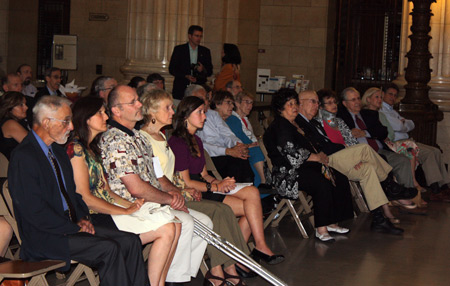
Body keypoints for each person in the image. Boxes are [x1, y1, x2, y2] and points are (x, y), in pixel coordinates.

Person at [8, 95, 149, 286]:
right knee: (109, 248)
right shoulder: (25, 157)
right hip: (45, 236)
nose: (71, 127)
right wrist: (73, 227)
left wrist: (83, 218)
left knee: (130, 241)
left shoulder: (56, 151)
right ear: (47, 122)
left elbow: (73, 194)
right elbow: (34, 211)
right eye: (66, 121)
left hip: (69, 225)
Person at [140, 88, 258, 285]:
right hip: (167, 197)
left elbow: (172, 176)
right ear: (152, 112)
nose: (172, 111)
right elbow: (159, 178)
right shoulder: (159, 140)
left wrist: (217, 183)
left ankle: (228, 266)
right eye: (168, 108)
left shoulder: (165, 138)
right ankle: (224, 267)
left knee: (223, 210)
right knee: (219, 212)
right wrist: (190, 189)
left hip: (179, 192)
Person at [100, 85, 211, 286]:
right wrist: (170, 199)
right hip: (127, 206)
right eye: (132, 101)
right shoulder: (116, 139)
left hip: (146, 203)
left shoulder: (136, 137)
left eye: (138, 99)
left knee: (179, 223)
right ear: (116, 110)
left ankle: (165, 281)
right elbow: (135, 188)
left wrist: (176, 194)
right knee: (170, 226)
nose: (139, 104)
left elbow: (158, 176)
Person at [67, 96, 180, 286]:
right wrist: (124, 210)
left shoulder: (91, 148)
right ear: (87, 118)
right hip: (93, 215)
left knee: (174, 224)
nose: (106, 116)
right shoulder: (76, 149)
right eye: (101, 113)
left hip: (106, 209)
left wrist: (131, 205)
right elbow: (85, 197)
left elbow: (106, 190)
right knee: (167, 228)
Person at [169, 96, 284, 263]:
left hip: (206, 185)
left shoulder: (197, 140)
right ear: (186, 116)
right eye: (200, 112)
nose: (205, 116)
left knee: (252, 194)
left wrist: (221, 183)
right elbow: (187, 182)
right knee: (250, 209)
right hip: (196, 191)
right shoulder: (178, 142)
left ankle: (248, 251)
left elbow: (205, 174)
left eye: (204, 112)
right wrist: (215, 187)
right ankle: (242, 256)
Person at [263, 88, 355, 242]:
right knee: (320, 181)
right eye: (290, 104)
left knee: (337, 175)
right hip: (287, 174)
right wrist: (317, 158)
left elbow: (311, 146)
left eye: (295, 103)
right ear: (280, 108)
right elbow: (292, 154)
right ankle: (321, 228)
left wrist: (321, 157)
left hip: (303, 167)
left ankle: (332, 221)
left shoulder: (294, 125)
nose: (294, 107)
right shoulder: (279, 126)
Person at [316, 89, 412, 223]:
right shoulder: (317, 122)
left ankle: (380, 217)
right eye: (329, 103)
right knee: (365, 149)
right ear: (320, 107)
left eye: (334, 102)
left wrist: (355, 158)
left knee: (369, 169)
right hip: (331, 161)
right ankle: (390, 185)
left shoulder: (338, 121)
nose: (333, 105)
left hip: (347, 160)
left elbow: (351, 142)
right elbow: (327, 147)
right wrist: (354, 156)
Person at [337, 87, 418, 194]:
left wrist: (365, 133)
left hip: (379, 149)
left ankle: (408, 194)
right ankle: (394, 195)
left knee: (403, 160)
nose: (357, 102)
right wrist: (351, 133)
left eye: (358, 99)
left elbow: (383, 131)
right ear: (344, 103)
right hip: (363, 154)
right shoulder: (342, 118)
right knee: (381, 162)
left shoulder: (367, 113)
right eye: (353, 100)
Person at [380, 83, 450, 202]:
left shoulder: (393, 111)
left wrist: (403, 124)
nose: (392, 97)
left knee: (436, 151)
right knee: (428, 153)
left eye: (395, 95)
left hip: (408, 141)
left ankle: (444, 186)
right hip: (397, 143)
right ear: (383, 94)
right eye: (390, 94)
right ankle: (435, 190)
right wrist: (402, 123)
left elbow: (411, 124)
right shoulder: (382, 110)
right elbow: (398, 126)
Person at [362, 87, 427, 199]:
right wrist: (398, 126)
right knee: (409, 148)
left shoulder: (381, 114)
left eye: (380, 97)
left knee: (409, 153)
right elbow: (389, 130)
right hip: (382, 146)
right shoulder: (365, 114)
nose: (379, 100)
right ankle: (410, 190)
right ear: (368, 99)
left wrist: (399, 126)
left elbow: (405, 126)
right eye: (377, 97)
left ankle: (409, 192)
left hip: (388, 143)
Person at [187, 85, 254, 183]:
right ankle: (239, 192)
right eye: (201, 99)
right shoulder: (190, 119)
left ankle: (248, 188)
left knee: (242, 158)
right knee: (233, 164)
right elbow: (201, 145)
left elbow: (227, 134)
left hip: (225, 151)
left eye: (206, 98)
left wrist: (238, 145)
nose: (205, 102)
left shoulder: (213, 114)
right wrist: (227, 151)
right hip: (210, 156)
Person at [214, 90, 267, 187]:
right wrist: (244, 146)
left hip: (234, 150)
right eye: (247, 102)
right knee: (253, 152)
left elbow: (233, 138)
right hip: (221, 154)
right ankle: (262, 183)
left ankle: (261, 185)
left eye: (251, 103)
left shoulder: (241, 119)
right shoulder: (232, 119)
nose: (250, 106)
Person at [169, 25, 213, 100]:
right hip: (181, 87)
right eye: (196, 36)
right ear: (190, 36)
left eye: (200, 36)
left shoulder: (205, 51)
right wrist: (186, 76)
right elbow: (172, 69)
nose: (199, 39)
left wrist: (202, 69)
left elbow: (210, 71)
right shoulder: (179, 50)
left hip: (199, 87)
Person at [0, 92, 30, 160]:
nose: (26, 107)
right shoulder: (10, 124)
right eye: (21, 105)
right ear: (9, 108)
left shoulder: (18, 121)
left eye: (25, 104)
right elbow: (33, 144)